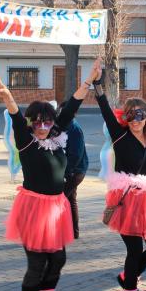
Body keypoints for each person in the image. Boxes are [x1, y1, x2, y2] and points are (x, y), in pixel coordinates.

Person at [0, 58, 102, 291]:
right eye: (37, 121)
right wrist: (8, 97)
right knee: (37, 265)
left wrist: (88, 81)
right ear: (31, 123)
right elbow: (16, 118)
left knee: (58, 261)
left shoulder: (57, 136)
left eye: (46, 121)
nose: (42, 125)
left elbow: (71, 108)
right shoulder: (27, 142)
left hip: (56, 209)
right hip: (34, 209)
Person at [93, 81, 146, 291]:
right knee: (134, 251)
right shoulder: (120, 137)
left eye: (140, 116)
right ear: (126, 118)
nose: (136, 121)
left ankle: (127, 277)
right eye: (131, 117)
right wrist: (97, 84)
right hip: (127, 202)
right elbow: (104, 109)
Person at [58, 100, 89, 239]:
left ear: (74, 113)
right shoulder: (63, 125)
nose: (62, 113)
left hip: (75, 171)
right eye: (61, 111)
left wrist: (66, 172)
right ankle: (74, 232)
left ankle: (58, 231)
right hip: (71, 170)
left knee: (58, 199)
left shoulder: (74, 128)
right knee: (70, 199)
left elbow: (76, 154)